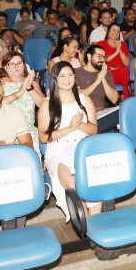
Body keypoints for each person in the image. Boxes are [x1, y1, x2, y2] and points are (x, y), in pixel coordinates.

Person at [38, 62, 100, 221]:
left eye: (70, 75)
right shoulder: (47, 103)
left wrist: (80, 125)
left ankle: (94, 225)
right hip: (59, 152)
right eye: (62, 76)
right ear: (55, 79)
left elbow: (94, 130)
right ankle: (86, 224)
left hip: (82, 148)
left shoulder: (85, 100)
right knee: (73, 184)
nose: (67, 79)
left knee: (93, 181)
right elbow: (44, 137)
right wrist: (71, 127)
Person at [1, 52, 45, 151]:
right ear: (5, 67)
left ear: (24, 65)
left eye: (19, 63)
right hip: (6, 128)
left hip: (28, 128)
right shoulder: (1, 82)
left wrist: (29, 87)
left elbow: (43, 105)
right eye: (11, 64)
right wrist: (19, 92)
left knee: (34, 148)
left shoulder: (33, 82)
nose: (16, 66)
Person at [75, 45, 120, 133]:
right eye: (99, 56)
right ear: (89, 56)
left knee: (123, 111)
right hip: (83, 116)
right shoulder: (76, 72)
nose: (102, 60)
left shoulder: (106, 74)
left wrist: (103, 80)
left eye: (104, 57)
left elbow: (114, 99)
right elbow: (78, 95)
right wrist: (96, 82)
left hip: (101, 114)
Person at [97, 23, 130, 98]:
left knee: (125, 71)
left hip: (121, 72)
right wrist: (116, 52)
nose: (116, 33)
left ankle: (125, 98)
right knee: (123, 72)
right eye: (113, 30)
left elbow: (127, 63)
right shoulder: (101, 44)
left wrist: (120, 50)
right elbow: (102, 60)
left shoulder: (123, 44)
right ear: (108, 32)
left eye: (118, 31)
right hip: (107, 72)